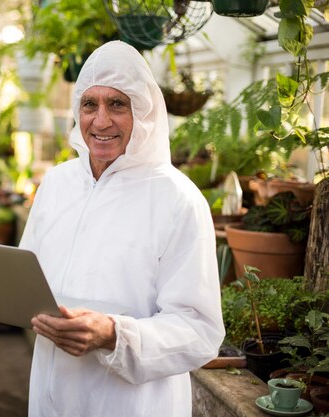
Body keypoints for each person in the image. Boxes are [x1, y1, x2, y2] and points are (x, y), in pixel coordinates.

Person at [18, 41, 225, 417]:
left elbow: (200, 331)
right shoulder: (57, 184)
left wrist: (114, 334)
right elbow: (24, 276)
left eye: (117, 104)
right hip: (50, 398)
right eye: (89, 104)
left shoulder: (177, 200)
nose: (100, 121)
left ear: (144, 113)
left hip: (132, 405)